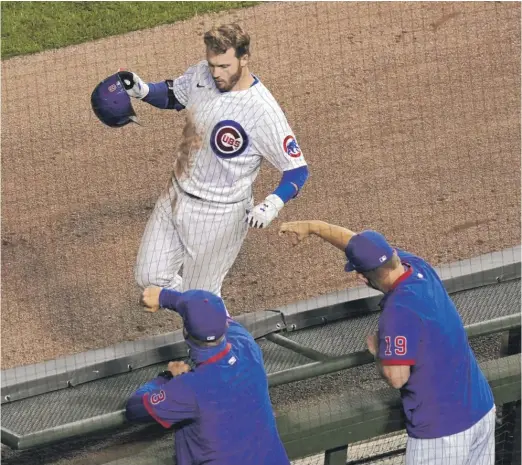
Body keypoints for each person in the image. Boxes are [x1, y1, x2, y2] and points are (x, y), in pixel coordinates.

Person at [279, 220, 496, 465]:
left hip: (442, 434)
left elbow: (397, 377)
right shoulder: (416, 266)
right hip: (482, 410)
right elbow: (360, 244)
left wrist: (378, 352)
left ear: (362, 278)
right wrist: (314, 227)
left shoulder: (397, 312)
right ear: (392, 254)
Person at [118, 23, 309, 297]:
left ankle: (211, 316)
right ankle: (205, 307)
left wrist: (273, 204)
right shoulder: (202, 74)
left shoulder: (262, 111)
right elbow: (175, 95)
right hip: (175, 196)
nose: (216, 74)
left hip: (219, 214)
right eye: (212, 65)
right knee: (150, 278)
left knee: (200, 296)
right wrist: (144, 90)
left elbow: (297, 170)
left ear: (245, 58)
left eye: (224, 66)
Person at [125, 286, 290, 465]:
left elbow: (135, 409)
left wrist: (165, 377)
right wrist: (166, 297)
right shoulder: (247, 347)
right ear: (225, 325)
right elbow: (215, 315)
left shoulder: (188, 388)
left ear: (186, 334)